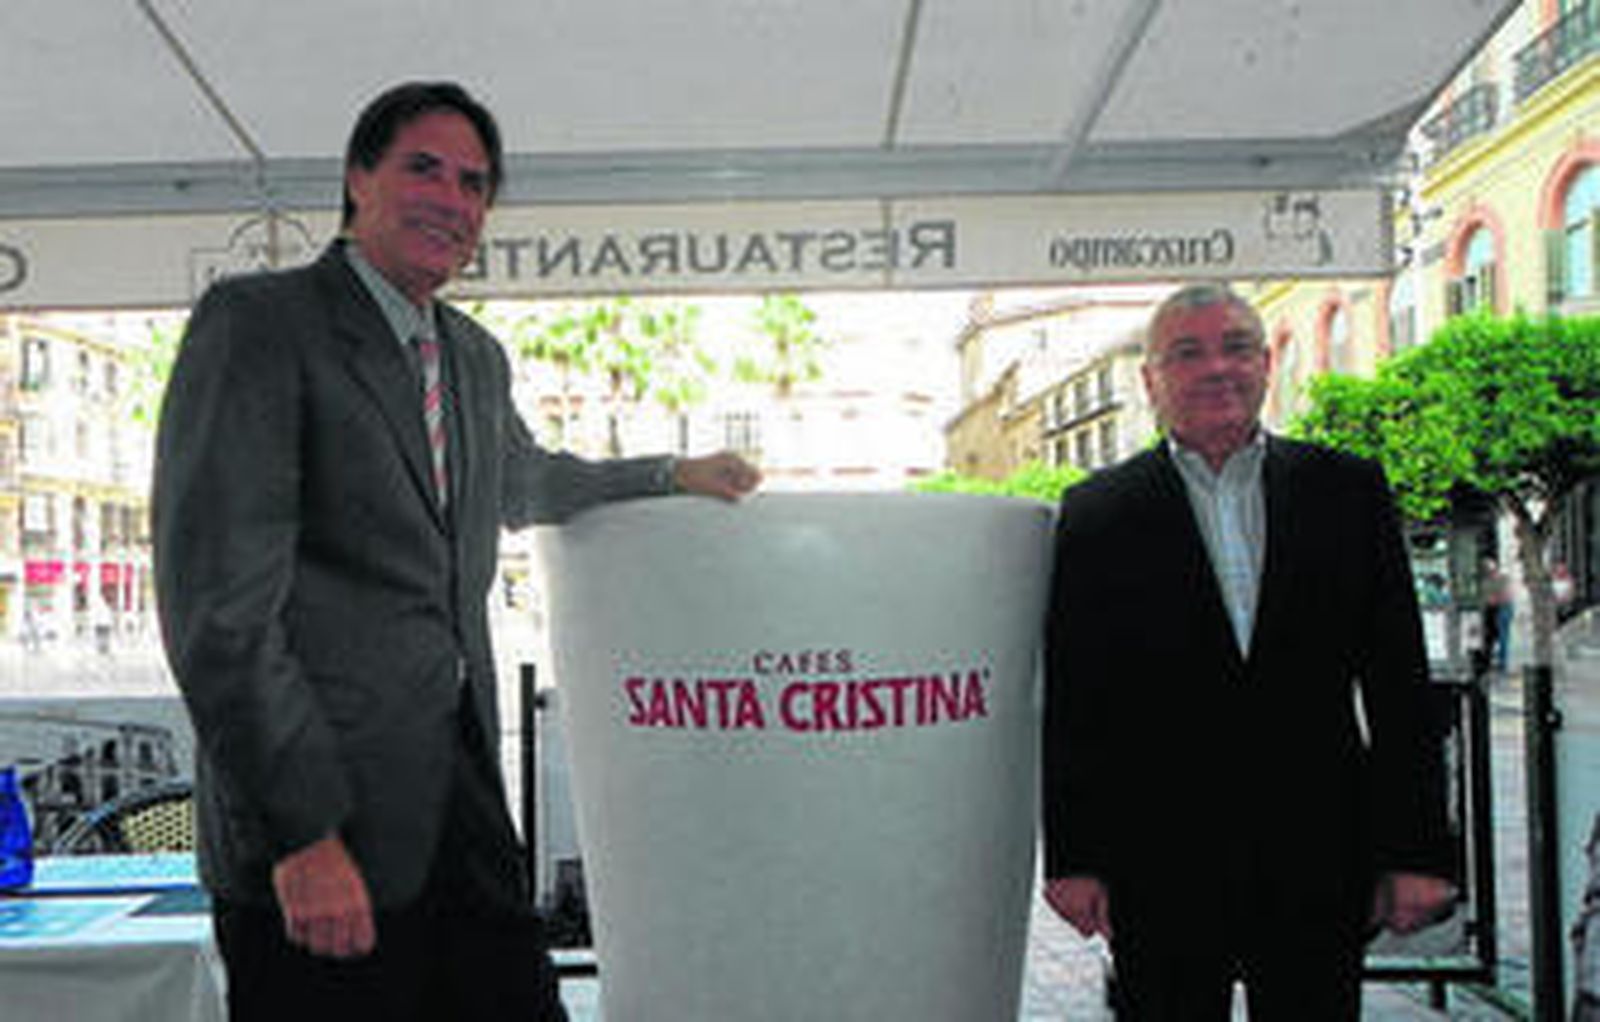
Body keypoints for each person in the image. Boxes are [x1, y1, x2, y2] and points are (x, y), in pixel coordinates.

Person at [151, 81, 759, 1022]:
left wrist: (669, 474)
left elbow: (524, 481)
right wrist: (302, 836)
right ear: (358, 178)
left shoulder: (472, 355)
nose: (452, 199)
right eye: (424, 169)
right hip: (321, 822)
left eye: (474, 184)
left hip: (459, 800)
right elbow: (221, 617)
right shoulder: (261, 325)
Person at [1041, 283, 1456, 1019]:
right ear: (1151, 380)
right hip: (1160, 857)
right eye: (1187, 353)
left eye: (1236, 347)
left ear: (1266, 364)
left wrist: (1418, 852)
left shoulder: (1347, 490)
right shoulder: (1097, 511)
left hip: (1318, 851)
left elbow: (1398, 684)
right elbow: (1077, 700)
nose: (1216, 368)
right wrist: (1075, 859)